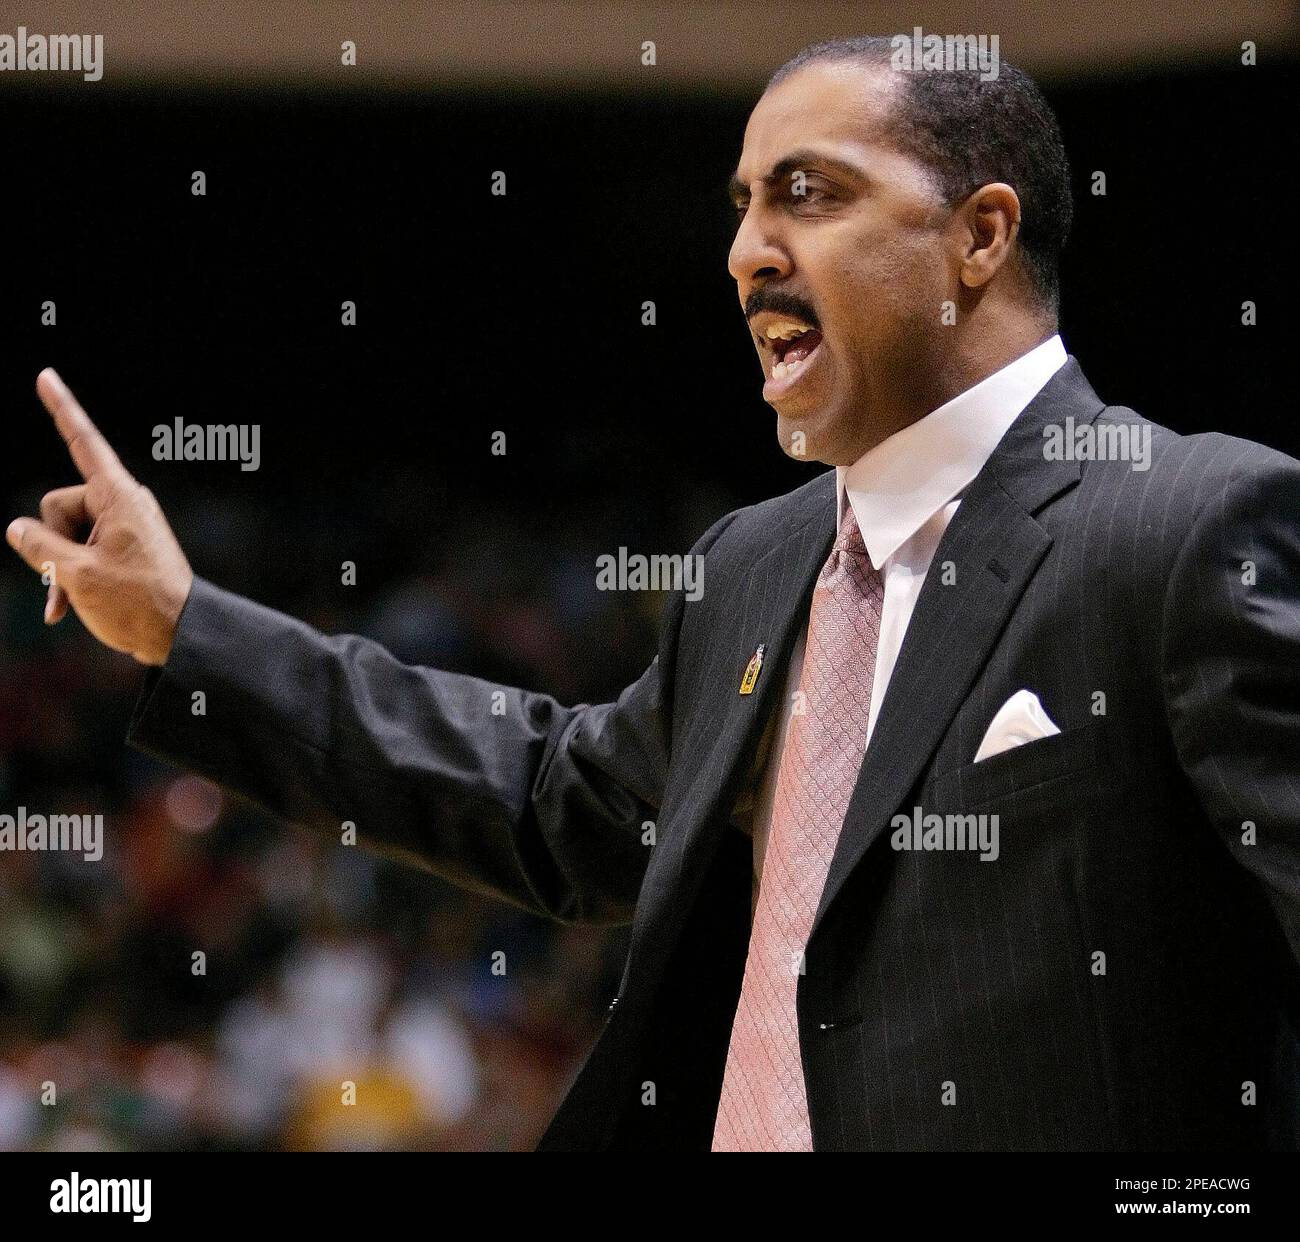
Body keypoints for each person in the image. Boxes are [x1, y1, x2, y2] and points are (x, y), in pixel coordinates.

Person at [8, 36, 1300, 1151]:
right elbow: (551, 805)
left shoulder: (1185, 526)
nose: (745, 252)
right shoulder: (751, 566)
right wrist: (189, 628)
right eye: (742, 205)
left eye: (808, 194)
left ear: (981, 234)